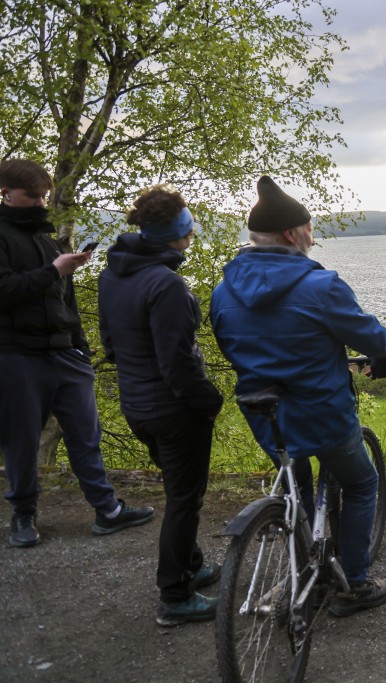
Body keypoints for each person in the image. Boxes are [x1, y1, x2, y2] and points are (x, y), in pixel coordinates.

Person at [211, 175, 386, 618]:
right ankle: (353, 585)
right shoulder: (321, 287)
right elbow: (373, 336)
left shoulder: (223, 293)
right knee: (360, 483)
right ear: (292, 233)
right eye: (310, 229)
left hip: (266, 416)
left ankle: (301, 570)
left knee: (293, 491)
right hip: (322, 414)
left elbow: (230, 346)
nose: (312, 237)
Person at [0, 158, 154, 547]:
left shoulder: (45, 236)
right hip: (17, 355)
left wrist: (82, 349)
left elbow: (63, 299)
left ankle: (108, 510)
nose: (40, 202)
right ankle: (23, 514)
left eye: (43, 196)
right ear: (5, 193)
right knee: (21, 440)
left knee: (86, 435)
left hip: (66, 353)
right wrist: (55, 270)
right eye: (32, 196)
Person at [97, 186, 224, 626]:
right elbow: (178, 364)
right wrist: (209, 401)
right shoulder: (166, 284)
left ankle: (191, 564)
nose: (191, 235)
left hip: (137, 406)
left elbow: (110, 345)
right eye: (189, 227)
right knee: (185, 499)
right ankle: (174, 596)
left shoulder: (112, 275)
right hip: (174, 411)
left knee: (178, 489)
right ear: (177, 233)